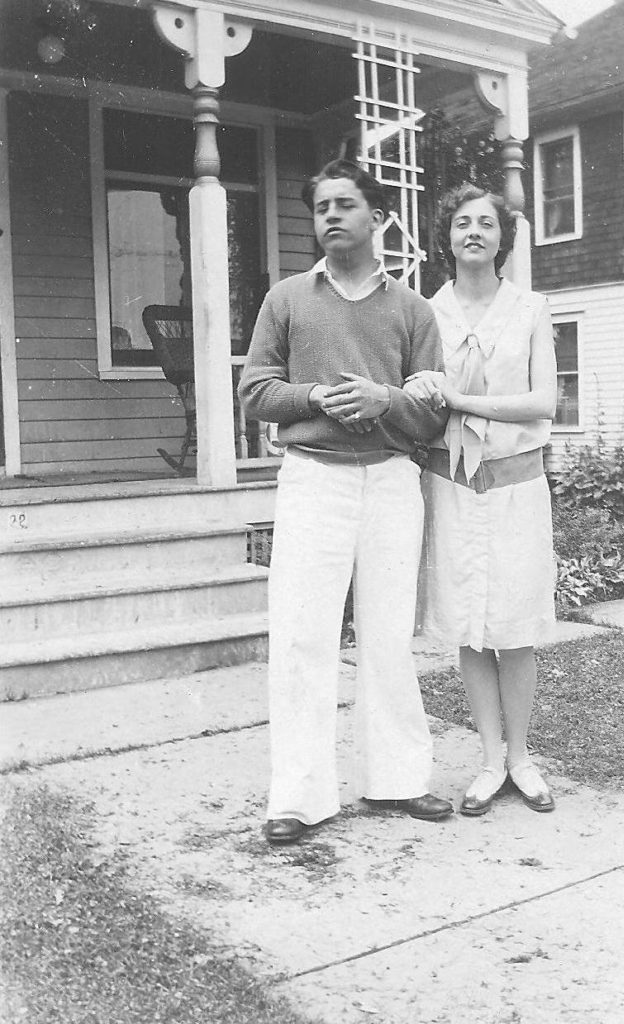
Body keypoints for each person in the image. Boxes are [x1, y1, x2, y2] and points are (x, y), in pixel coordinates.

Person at [238, 159, 452, 845]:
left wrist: (383, 399)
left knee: (388, 634)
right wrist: (316, 398)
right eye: (321, 205)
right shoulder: (288, 300)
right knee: (303, 635)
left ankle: (399, 780)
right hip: (314, 478)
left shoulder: (413, 310)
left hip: (391, 480)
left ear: (378, 217)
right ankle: (297, 799)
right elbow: (255, 389)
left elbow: (431, 412)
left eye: (345, 204)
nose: (330, 215)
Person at [405, 184, 558, 817]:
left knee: (514, 626)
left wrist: (462, 401)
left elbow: (543, 402)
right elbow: (414, 399)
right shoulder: (424, 313)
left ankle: (521, 757)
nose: (474, 232)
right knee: (469, 625)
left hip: (514, 482)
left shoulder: (530, 310)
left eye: (487, 223)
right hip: (451, 484)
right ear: (446, 237)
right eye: (462, 223)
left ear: (503, 238)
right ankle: (491, 759)